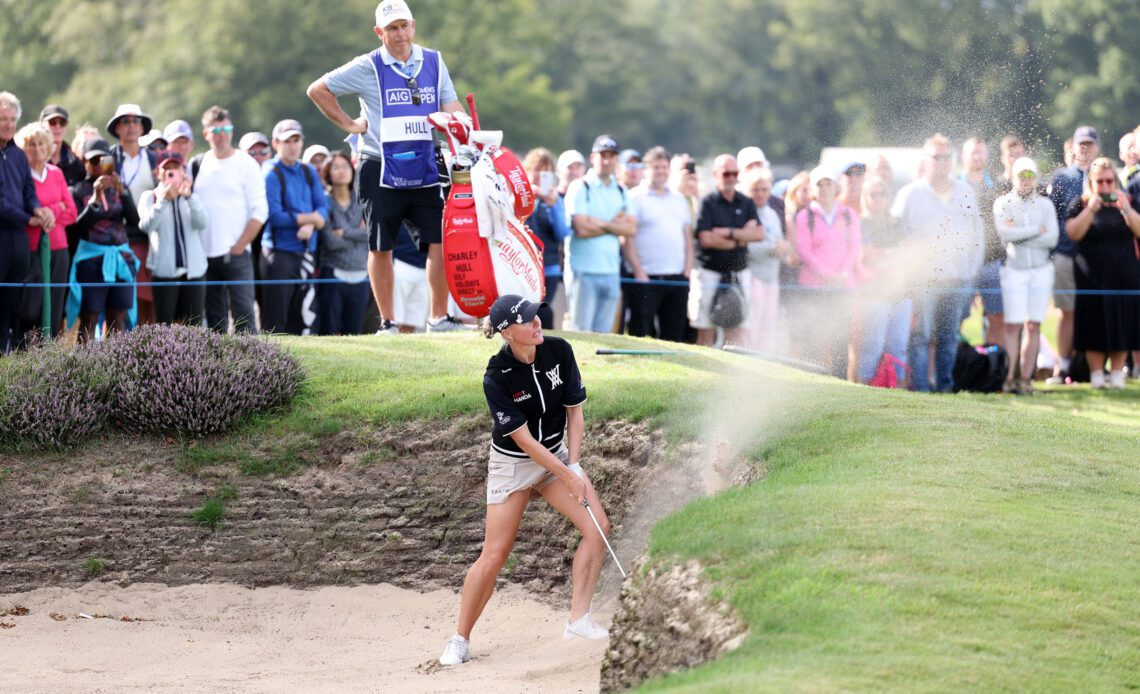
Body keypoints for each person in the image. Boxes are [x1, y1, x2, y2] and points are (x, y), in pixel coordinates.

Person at [438, 294, 610, 667]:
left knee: (598, 529)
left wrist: (574, 467)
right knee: (495, 554)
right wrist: (567, 474)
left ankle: (579, 621)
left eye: (536, 317)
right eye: (527, 321)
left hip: (556, 457)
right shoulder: (496, 377)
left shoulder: (559, 351)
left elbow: (574, 414)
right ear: (506, 333)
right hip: (513, 465)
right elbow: (522, 441)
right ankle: (460, 638)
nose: (537, 324)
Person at [307, 0, 467, 334]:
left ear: (414, 26)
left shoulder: (434, 61)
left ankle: (439, 318)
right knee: (381, 247)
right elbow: (318, 90)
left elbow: (450, 104)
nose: (400, 34)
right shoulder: (368, 65)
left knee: (440, 241)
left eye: (404, 25)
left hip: (425, 166)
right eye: (392, 28)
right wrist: (350, 125)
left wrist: (460, 124)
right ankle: (388, 322)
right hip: (379, 167)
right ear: (379, 33)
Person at [892, 133, 984, 392]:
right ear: (926, 160)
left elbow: (977, 235)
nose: (942, 162)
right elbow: (897, 236)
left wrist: (971, 272)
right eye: (936, 157)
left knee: (949, 337)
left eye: (946, 157)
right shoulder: (909, 195)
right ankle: (920, 388)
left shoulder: (965, 192)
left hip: (957, 279)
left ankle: (944, 387)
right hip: (923, 282)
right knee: (920, 337)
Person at [1063, 157, 1140, 389]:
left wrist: (1126, 209)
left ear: (1116, 181)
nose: (1106, 186)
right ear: (1091, 182)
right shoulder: (1080, 203)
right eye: (1100, 182)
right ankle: (1097, 375)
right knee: (1093, 324)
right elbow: (1073, 233)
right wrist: (1090, 210)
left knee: (1122, 323)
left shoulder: (1129, 201)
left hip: (1124, 277)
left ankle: (1117, 374)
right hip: (1092, 278)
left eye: (1109, 181)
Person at [193, 105, 267, 334]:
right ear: (206, 134)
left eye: (226, 129)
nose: (221, 135)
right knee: (214, 323)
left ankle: (254, 369)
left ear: (232, 131)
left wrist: (239, 245)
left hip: (236, 255)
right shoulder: (196, 164)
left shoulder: (246, 163)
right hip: (204, 256)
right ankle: (218, 370)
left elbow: (260, 211)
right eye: (215, 131)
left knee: (245, 317)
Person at [993, 157, 1058, 394]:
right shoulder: (1004, 203)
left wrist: (1022, 234)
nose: (1026, 180)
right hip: (1014, 270)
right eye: (1022, 175)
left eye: (1030, 175)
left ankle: (1026, 379)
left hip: (1041, 270)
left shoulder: (1045, 205)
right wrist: (1035, 231)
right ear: (1014, 176)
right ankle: (1010, 377)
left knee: (1034, 325)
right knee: (1013, 325)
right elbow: (1006, 234)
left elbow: (1052, 239)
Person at [67, 138, 139, 343]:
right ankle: (85, 370)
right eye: (93, 160)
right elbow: (79, 228)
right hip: (91, 260)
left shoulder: (119, 188)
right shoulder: (78, 190)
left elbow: (134, 221)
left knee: (118, 317)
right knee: (89, 316)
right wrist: (96, 199)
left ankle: (117, 369)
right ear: (84, 162)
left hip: (120, 259)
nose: (99, 164)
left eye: (103, 159)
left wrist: (123, 193)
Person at [0, 92, 56, 353]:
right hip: (3, 234)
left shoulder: (18, 155)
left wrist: (38, 209)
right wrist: (30, 217)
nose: (8, 125)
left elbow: (27, 191)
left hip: (18, 240)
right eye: (3, 119)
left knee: (11, 306)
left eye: (12, 119)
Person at [262, 119, 328, 335]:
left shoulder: (308, 171)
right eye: (286, 141)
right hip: (279, 254)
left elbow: (323, 208)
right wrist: (310, 220)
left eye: (296, 140)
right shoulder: (270, 173)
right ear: (275, 144)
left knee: (303, 320)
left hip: (307, 251)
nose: (292, 146)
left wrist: (310, 225)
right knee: (276, 322)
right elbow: (274, 216)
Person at [564, 134, 636, 333]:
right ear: (592, 157)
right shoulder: (580, 187)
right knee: (581, 332)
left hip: (611, 271)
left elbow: (630, 228)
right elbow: (581, 228)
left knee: (604, 334)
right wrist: (613, 226)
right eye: (602, 155)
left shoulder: (621, 191)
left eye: (612, 155)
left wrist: (598, 222)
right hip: (583, 271)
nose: (606, 160)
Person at [690, 154, 764, 346]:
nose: (731, 178)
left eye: (734, 174)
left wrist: (727, 233)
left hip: (739, 273)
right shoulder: (707, 202)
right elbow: (706, 239)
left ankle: (730, 375)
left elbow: (758, 234)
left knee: (736, 331)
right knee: (706, 331)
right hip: (709, 273)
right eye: (726, 174)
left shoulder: (746, 202)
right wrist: (739, 238)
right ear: (716, 175)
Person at [794, 166, 862, 373]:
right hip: (814, 287)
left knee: (841, 339)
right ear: (813, 189)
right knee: (814, 337)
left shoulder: (848, 215)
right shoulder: (805, 216)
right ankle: (813, 382)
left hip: (842, 287)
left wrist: (841, 274)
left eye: (828, 184)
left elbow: (854, 248)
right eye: (819, 185)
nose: (824, 189)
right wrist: (827, 274)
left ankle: (840, 383)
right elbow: (804, 251)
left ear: (835, 187)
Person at [1047, 125, 1099, 384]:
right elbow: (1053, 216)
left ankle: (1087, 369)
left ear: (1097, 148)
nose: (1085, 149)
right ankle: (1063, 366)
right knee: (1066, 312)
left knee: (1091, 311)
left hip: (1095, 259)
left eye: (1090, 144)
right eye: (1081, 144)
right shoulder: (1062, 178)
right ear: (1073, 147)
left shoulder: (1105, 175)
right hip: (1066, 254)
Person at [16, 122, 77, 339]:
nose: (37, 148)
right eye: (31, 144)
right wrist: (54, 208)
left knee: (54, 306)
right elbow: (19, 210)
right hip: (31, 248)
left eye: (41, 143)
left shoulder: (56, 173)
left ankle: (48, 357)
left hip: (59, 248)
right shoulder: (21, 176)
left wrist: (49, 211)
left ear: (49, 145)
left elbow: (71, 211)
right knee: (30, 308)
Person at [625, 146, 692, 342]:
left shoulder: (679, 199)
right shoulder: (634, 197)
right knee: (642, 334)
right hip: (645, 278)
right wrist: (638, 272)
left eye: (664, 167)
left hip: (677, 278)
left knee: (674, 335)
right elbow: (627, 238)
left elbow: (687, 238)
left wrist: (687, 272)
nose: (661, 171)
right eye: (656, 167)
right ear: (646, 170)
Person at [138, 153, 209, 326]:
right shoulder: (150, 197)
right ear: (158, 173)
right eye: (166, 169)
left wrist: (189, 197)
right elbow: (146, 226)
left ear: (182, 171)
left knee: (193, 326)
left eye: (175, 168)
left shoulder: (191, 195)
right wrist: (163, 201)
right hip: (164, 273)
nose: (171, 172)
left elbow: (202, 223)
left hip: (194, 272)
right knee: (164, 326)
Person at [857, 174, 911, 385]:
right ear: (865, 197)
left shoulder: (897, 223)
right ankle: (866, 388)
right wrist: (891, 255)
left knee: (899, 345)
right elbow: (867, 257)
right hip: (874, 295)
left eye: (882, 194)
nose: (878, 198)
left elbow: (906, 255)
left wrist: (885, 255)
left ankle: (896, 387)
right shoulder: (861, 224)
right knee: (873, 345)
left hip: (900, 294)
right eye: (873, 194)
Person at [107, 103, 159, 325]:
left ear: (142, 128)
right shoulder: (107, 159)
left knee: (148, 297)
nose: (130, 126)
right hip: (116, 235)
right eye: (125, 121)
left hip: (148, 235)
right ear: (117, 128)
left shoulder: (154, 159)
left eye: (135, 121)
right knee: (119, 300)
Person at [319, 151, 371, 335]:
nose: (341, 171)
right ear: (328, 173)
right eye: (336, 167)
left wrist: (345, 232)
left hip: (361, 274)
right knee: (329, 332)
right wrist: (358, 233)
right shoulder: (324, 202)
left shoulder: (362, 201)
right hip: (333, 274)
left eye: (345, 166)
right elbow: (331, 242)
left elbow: (369, 235)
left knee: (354, 334)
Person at [960, 136, 1004, 345]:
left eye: (981, 152)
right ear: (963, 156)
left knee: (996, 317)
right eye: (972, 153)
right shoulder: (955, 187)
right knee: (955, 319)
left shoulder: (996, 186)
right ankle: (953, 369)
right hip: (961, 265)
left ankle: (992, 370)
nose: (977, 157)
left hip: (991, 263)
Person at [741, 167, 790, 351]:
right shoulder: (744, 213)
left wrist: (783, 247)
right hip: (752, 278)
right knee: (751, 328)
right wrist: (772, 248)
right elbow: (744, 246)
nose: (760, 194)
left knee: (768, 328)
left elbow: (779, 241)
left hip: (772, 278)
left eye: (764, 189)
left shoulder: (772, 215)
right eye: (755, 189)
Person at [523, 147, 571, 329]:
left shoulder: (555, 199)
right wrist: (531, 195)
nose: (540, 175)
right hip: (523, 266)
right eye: (537, 170)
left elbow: (561, 232)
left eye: (546, 172)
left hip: (549, 266)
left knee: (543, 309)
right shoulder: (519, 196)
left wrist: (552, 205)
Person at [39, 105, 85, 186]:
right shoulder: (33, 159)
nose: (58, 126)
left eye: (62, 123)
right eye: (52, 122)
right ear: (41, 125)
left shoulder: (76, 163)